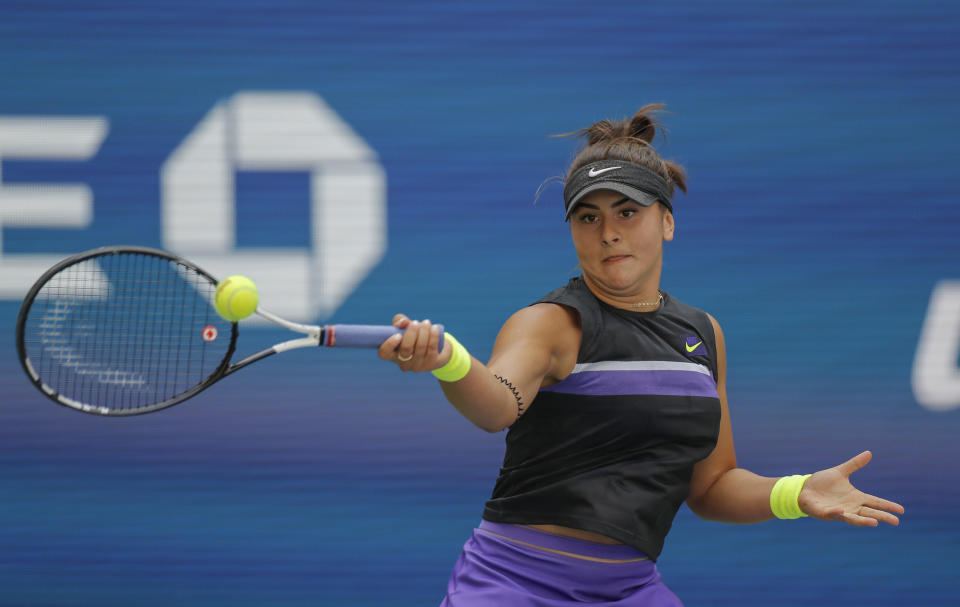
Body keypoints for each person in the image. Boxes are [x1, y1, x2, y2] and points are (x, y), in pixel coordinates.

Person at [377, 105, 905, 606]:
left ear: (667, 222)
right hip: (514, 582)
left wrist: (797, 491)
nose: (608, 233)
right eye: (587, 218)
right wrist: (448, 360)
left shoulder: (702, 334)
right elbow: (496, 405)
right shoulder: (551, 322)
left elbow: (712, 487)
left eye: (627, 212)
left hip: (630, 590)